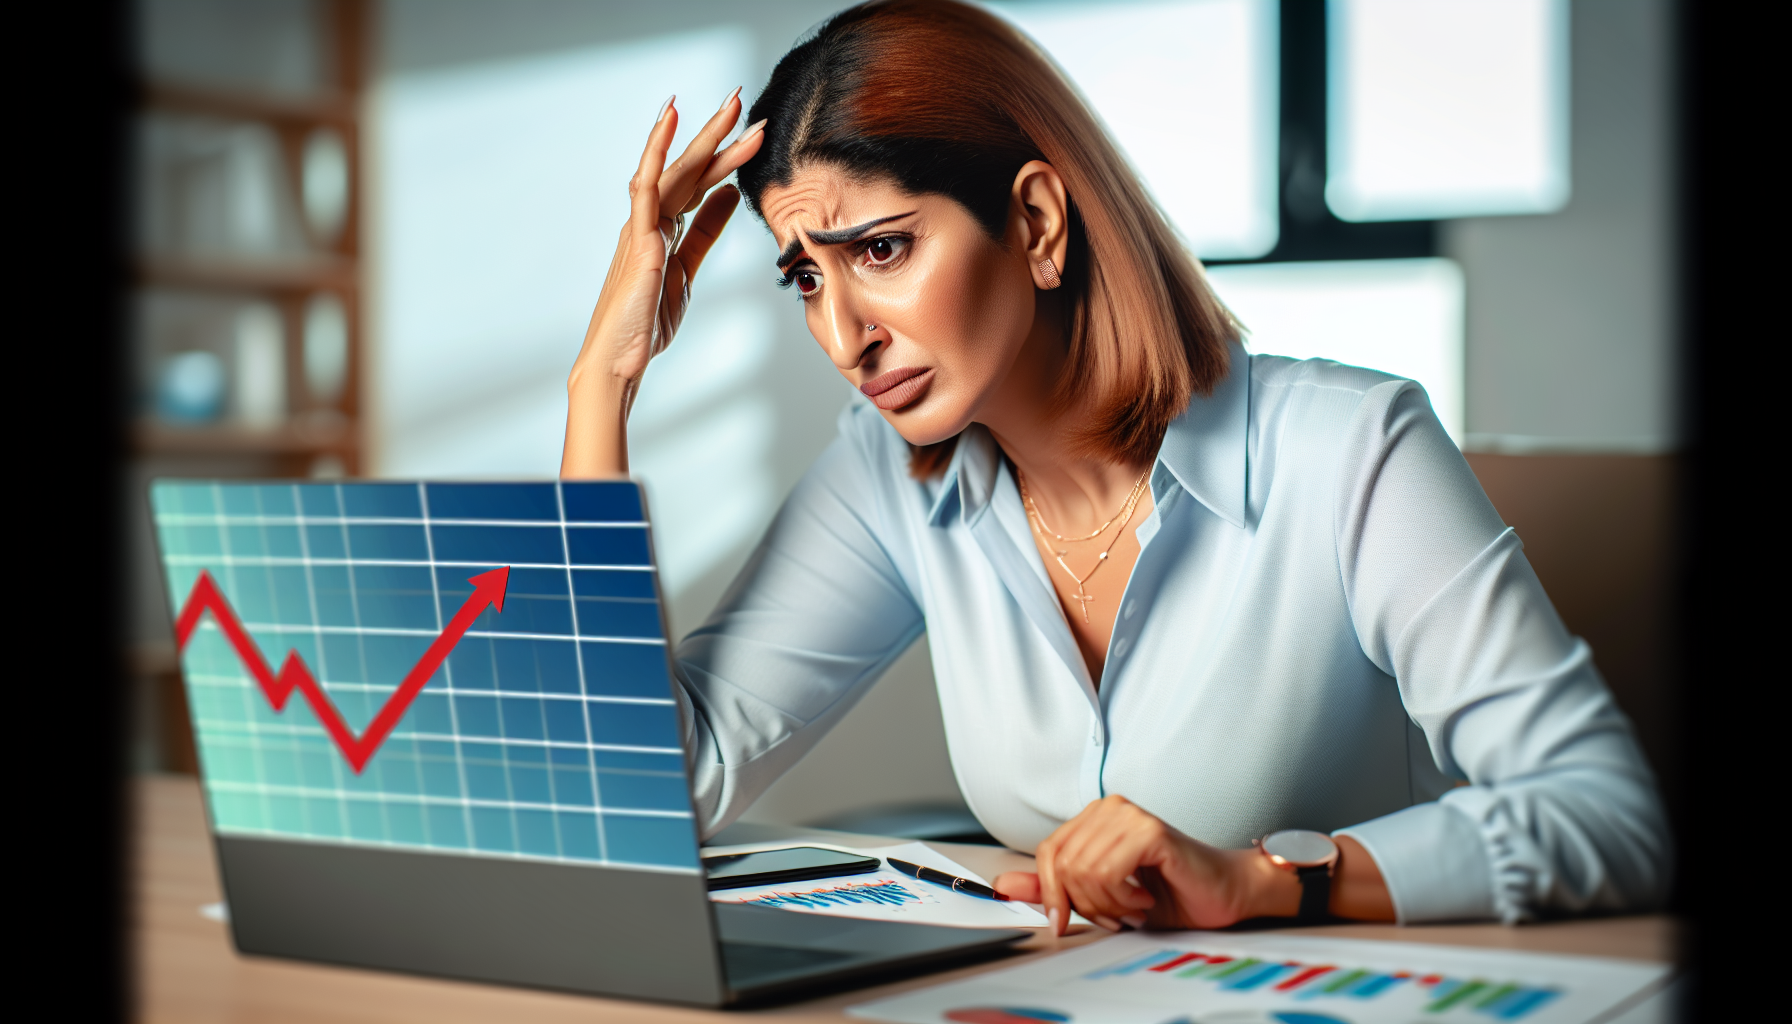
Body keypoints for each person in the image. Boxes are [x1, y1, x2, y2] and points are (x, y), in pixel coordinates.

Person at [561, 0, 1668, 935]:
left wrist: (1260, 878)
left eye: (882, 249)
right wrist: (601, 384)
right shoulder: (887, 475)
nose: (844, 333)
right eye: (803, 277)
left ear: (1036, 223)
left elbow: (1606, 814)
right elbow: (645, 787)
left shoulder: (1350, 448)